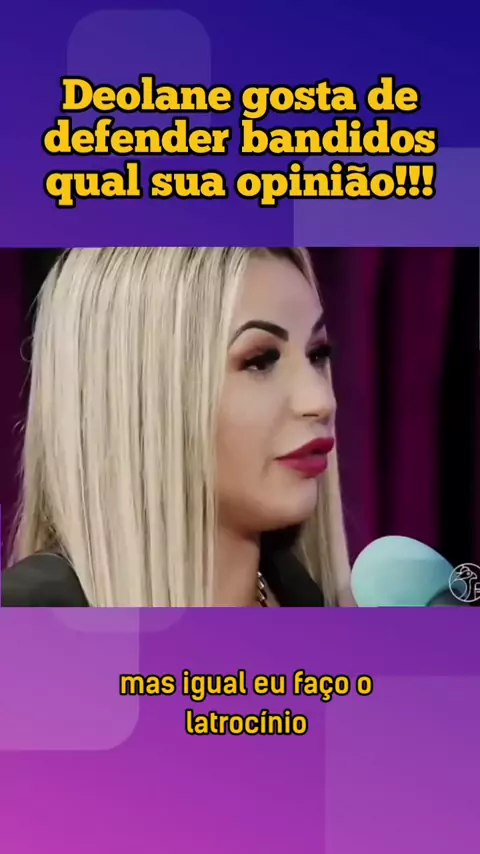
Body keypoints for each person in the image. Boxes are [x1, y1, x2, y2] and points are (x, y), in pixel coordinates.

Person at [2, 247, 354, 607]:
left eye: (317, 354)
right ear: (140, 392)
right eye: (259, 361)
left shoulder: (304, 597)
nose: (321, 401)